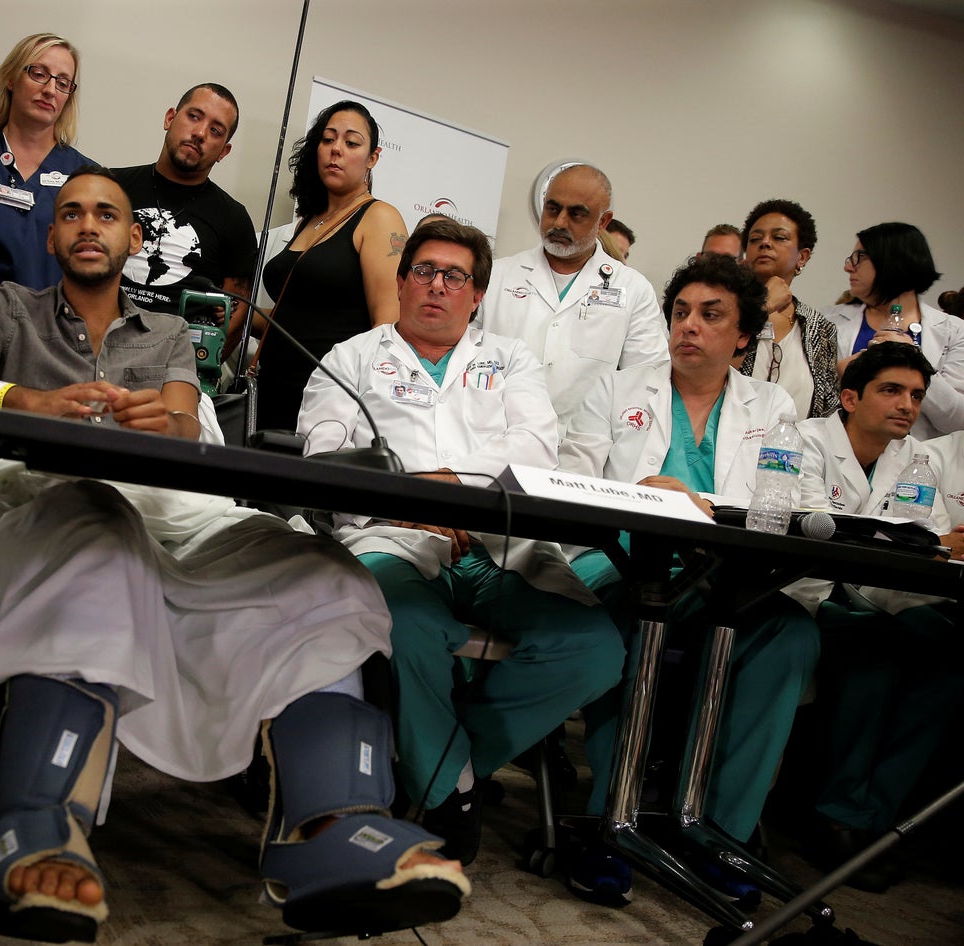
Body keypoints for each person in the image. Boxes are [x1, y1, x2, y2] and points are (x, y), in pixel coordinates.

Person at [0, 166, 468, 934]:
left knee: (319, 570)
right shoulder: (10, 311)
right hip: (48, 494)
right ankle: (39, 821)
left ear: (135, 240)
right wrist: (19, 398)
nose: (89, 225)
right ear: (54, 234)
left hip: (173, 505)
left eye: (107, 216)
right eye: (72, 214)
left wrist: (162, 422)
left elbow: (183, 415)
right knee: (97, 533)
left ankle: (333, 825)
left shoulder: (166, 332)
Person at [296, 218, 624, 866]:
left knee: (593, 649)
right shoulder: (351, 358)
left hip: (496, 542)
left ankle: (443, 767)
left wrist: (451, 485)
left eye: (455, 276)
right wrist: (412, 497)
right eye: (424, 271)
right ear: (401, 281)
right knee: (409, 623)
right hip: (393, 536)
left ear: (477, 295)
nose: (437, 286)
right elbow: (327, 456)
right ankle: (454, 796)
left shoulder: (511, 361)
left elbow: (535, 448)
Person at [558, 253, 820, 906]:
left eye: (711, 314)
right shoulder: (616, 390)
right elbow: (567, 485)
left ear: (742, 335)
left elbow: (797, 500)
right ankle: (607, 824)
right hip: (626, 567)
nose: (689, 326)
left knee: (789, 636)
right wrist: (644, 490)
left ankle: (720, 833)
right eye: (680, 312)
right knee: (638, 623)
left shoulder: (773, 405)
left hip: (728, 583)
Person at [792, 342, 960, 892]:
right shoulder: (806, 440)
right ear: (849, 397)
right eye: (891, 390)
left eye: (915, 395)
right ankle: (835, 815)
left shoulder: (914, 459)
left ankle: (875, 819)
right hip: (810, 596)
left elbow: (931, 542)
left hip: (881, 603)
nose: (907, 405)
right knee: (875, 657)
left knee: (951, 662)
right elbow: (819, 529)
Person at [477, 160, 667, 435]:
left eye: (577, 214)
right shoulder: (497, 274)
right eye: (552, 209)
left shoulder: (633, 289)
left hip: (583, 450)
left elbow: (645, 383)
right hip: (495, 434)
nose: (559, 223)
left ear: (603, 222)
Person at [256, 100, 409, 431]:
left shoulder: (379, 217)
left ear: (372, 158)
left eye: (351, 142)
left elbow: (388, 327)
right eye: (327, 139)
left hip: (325, 400)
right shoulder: (310, 219)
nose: (336, 149)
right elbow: (300, 312)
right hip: (268, 389)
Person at [0, 33, 90, 318]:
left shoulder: (84, 177)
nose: (50, 90)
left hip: (51, 343)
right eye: (39, 73)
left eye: (62, 83)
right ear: (11, 78)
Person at [112, 83, 256, 341]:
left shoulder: (233, 218)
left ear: (224, 151)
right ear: (170, 118)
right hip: (97, 342)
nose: (200, 133)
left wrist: (197, 371)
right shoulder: (110, 187)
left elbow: (237, 308)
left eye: (215, 130)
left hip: (175, 362)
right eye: (193, 116)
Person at [826, 222, 964, 439]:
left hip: (919, 461)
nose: (848, 267)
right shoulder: (829, 321)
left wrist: (916, 362)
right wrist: (835, 374)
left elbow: (957, 420)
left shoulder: (955, 331)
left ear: (892, 261)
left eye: (859, 258)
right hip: (839, 455)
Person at [737, 199, 839, 418]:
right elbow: (708, 369)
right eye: (755, 239)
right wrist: (762, 306)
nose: (764, 243)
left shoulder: (820, 327)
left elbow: (827, 409)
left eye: (779, 237)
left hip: (797, 448)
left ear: (802, 256)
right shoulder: (726, 309)